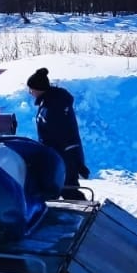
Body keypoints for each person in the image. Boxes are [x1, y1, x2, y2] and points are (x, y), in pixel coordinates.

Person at [27, 67, 90, 200]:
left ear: (38, 89)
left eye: (31, 89)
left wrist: (63, 158)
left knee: (67, 189)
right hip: (59, 154)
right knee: (59, 188)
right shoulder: (50, 102)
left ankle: (86, 211)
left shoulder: (53, 106)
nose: (30, 92)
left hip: (64, 155)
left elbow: (60, 134)